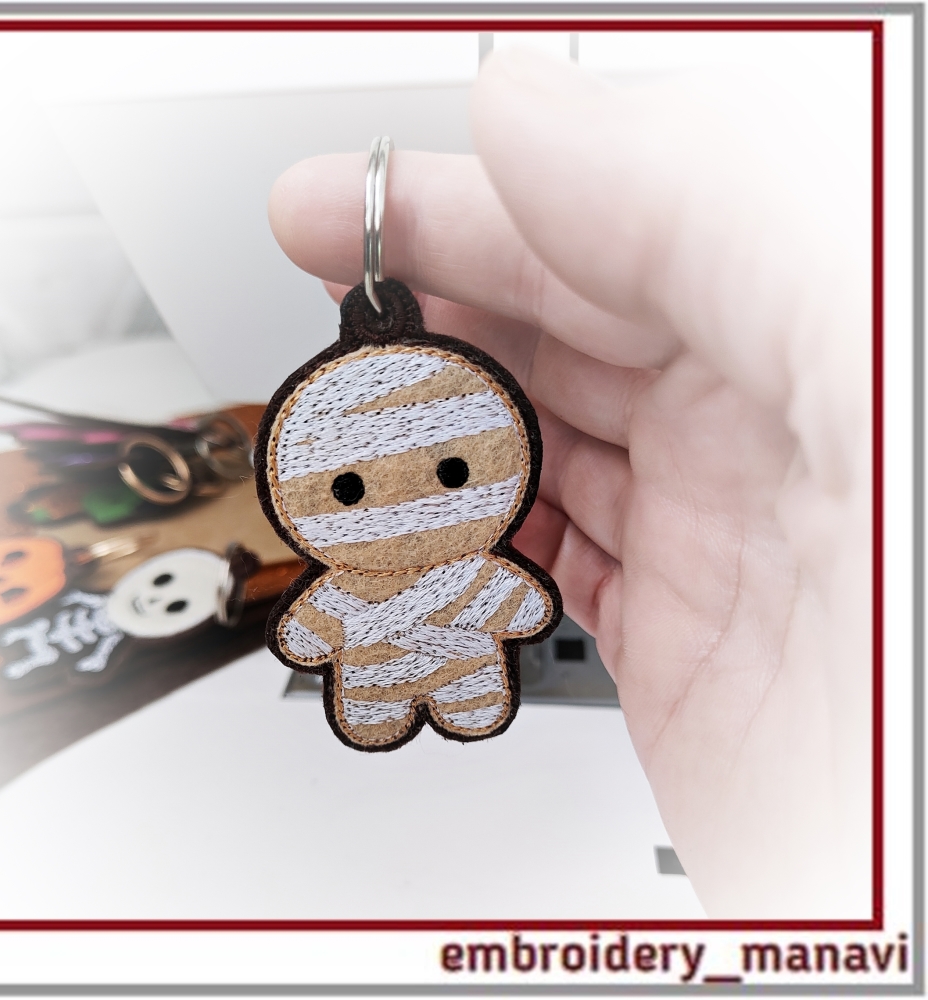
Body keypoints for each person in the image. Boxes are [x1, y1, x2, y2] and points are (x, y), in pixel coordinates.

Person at [267, 47, 871, 918]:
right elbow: (328, 627)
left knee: (466, 689)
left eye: (450, 471)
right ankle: (390, 708)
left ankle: (455, 702)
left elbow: (504, 606)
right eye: (351, 491)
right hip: (382, 665)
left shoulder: (467, 565)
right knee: (374, 702)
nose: (410, 502)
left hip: (465, 659)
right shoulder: (396, 575)